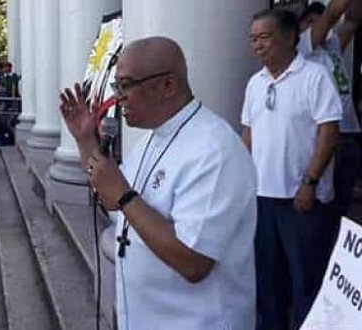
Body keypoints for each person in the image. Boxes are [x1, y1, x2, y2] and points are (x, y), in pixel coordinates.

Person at [60, 37, 257, 329]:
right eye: (117, 86)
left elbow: (194, 262)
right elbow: (112, 200)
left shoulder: (215, 150)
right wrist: (86, 141)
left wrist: (125, 195)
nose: (118, 98)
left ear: (167, 85)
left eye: (126, 85)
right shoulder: (152, 139)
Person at [242, 9, 342, 330]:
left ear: (289, 37)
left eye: (265, 37)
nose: (257, 45)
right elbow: (249, 134)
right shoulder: (254, 83)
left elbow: (329, 131)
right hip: (262, 197)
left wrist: (310, 181)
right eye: (253, 39)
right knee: (267, 281)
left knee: (305, 281)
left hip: (302, 200)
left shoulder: (315, 76)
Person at [298, 0, 362, 220]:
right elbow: (332, 15)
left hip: (349, 139)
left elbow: (353, 20)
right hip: (327, 142)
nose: (316, 27)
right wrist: (328, 16)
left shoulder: (332, 45)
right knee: (322, 209)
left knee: (341, 209)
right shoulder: (304, 48)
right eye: (310, 22)